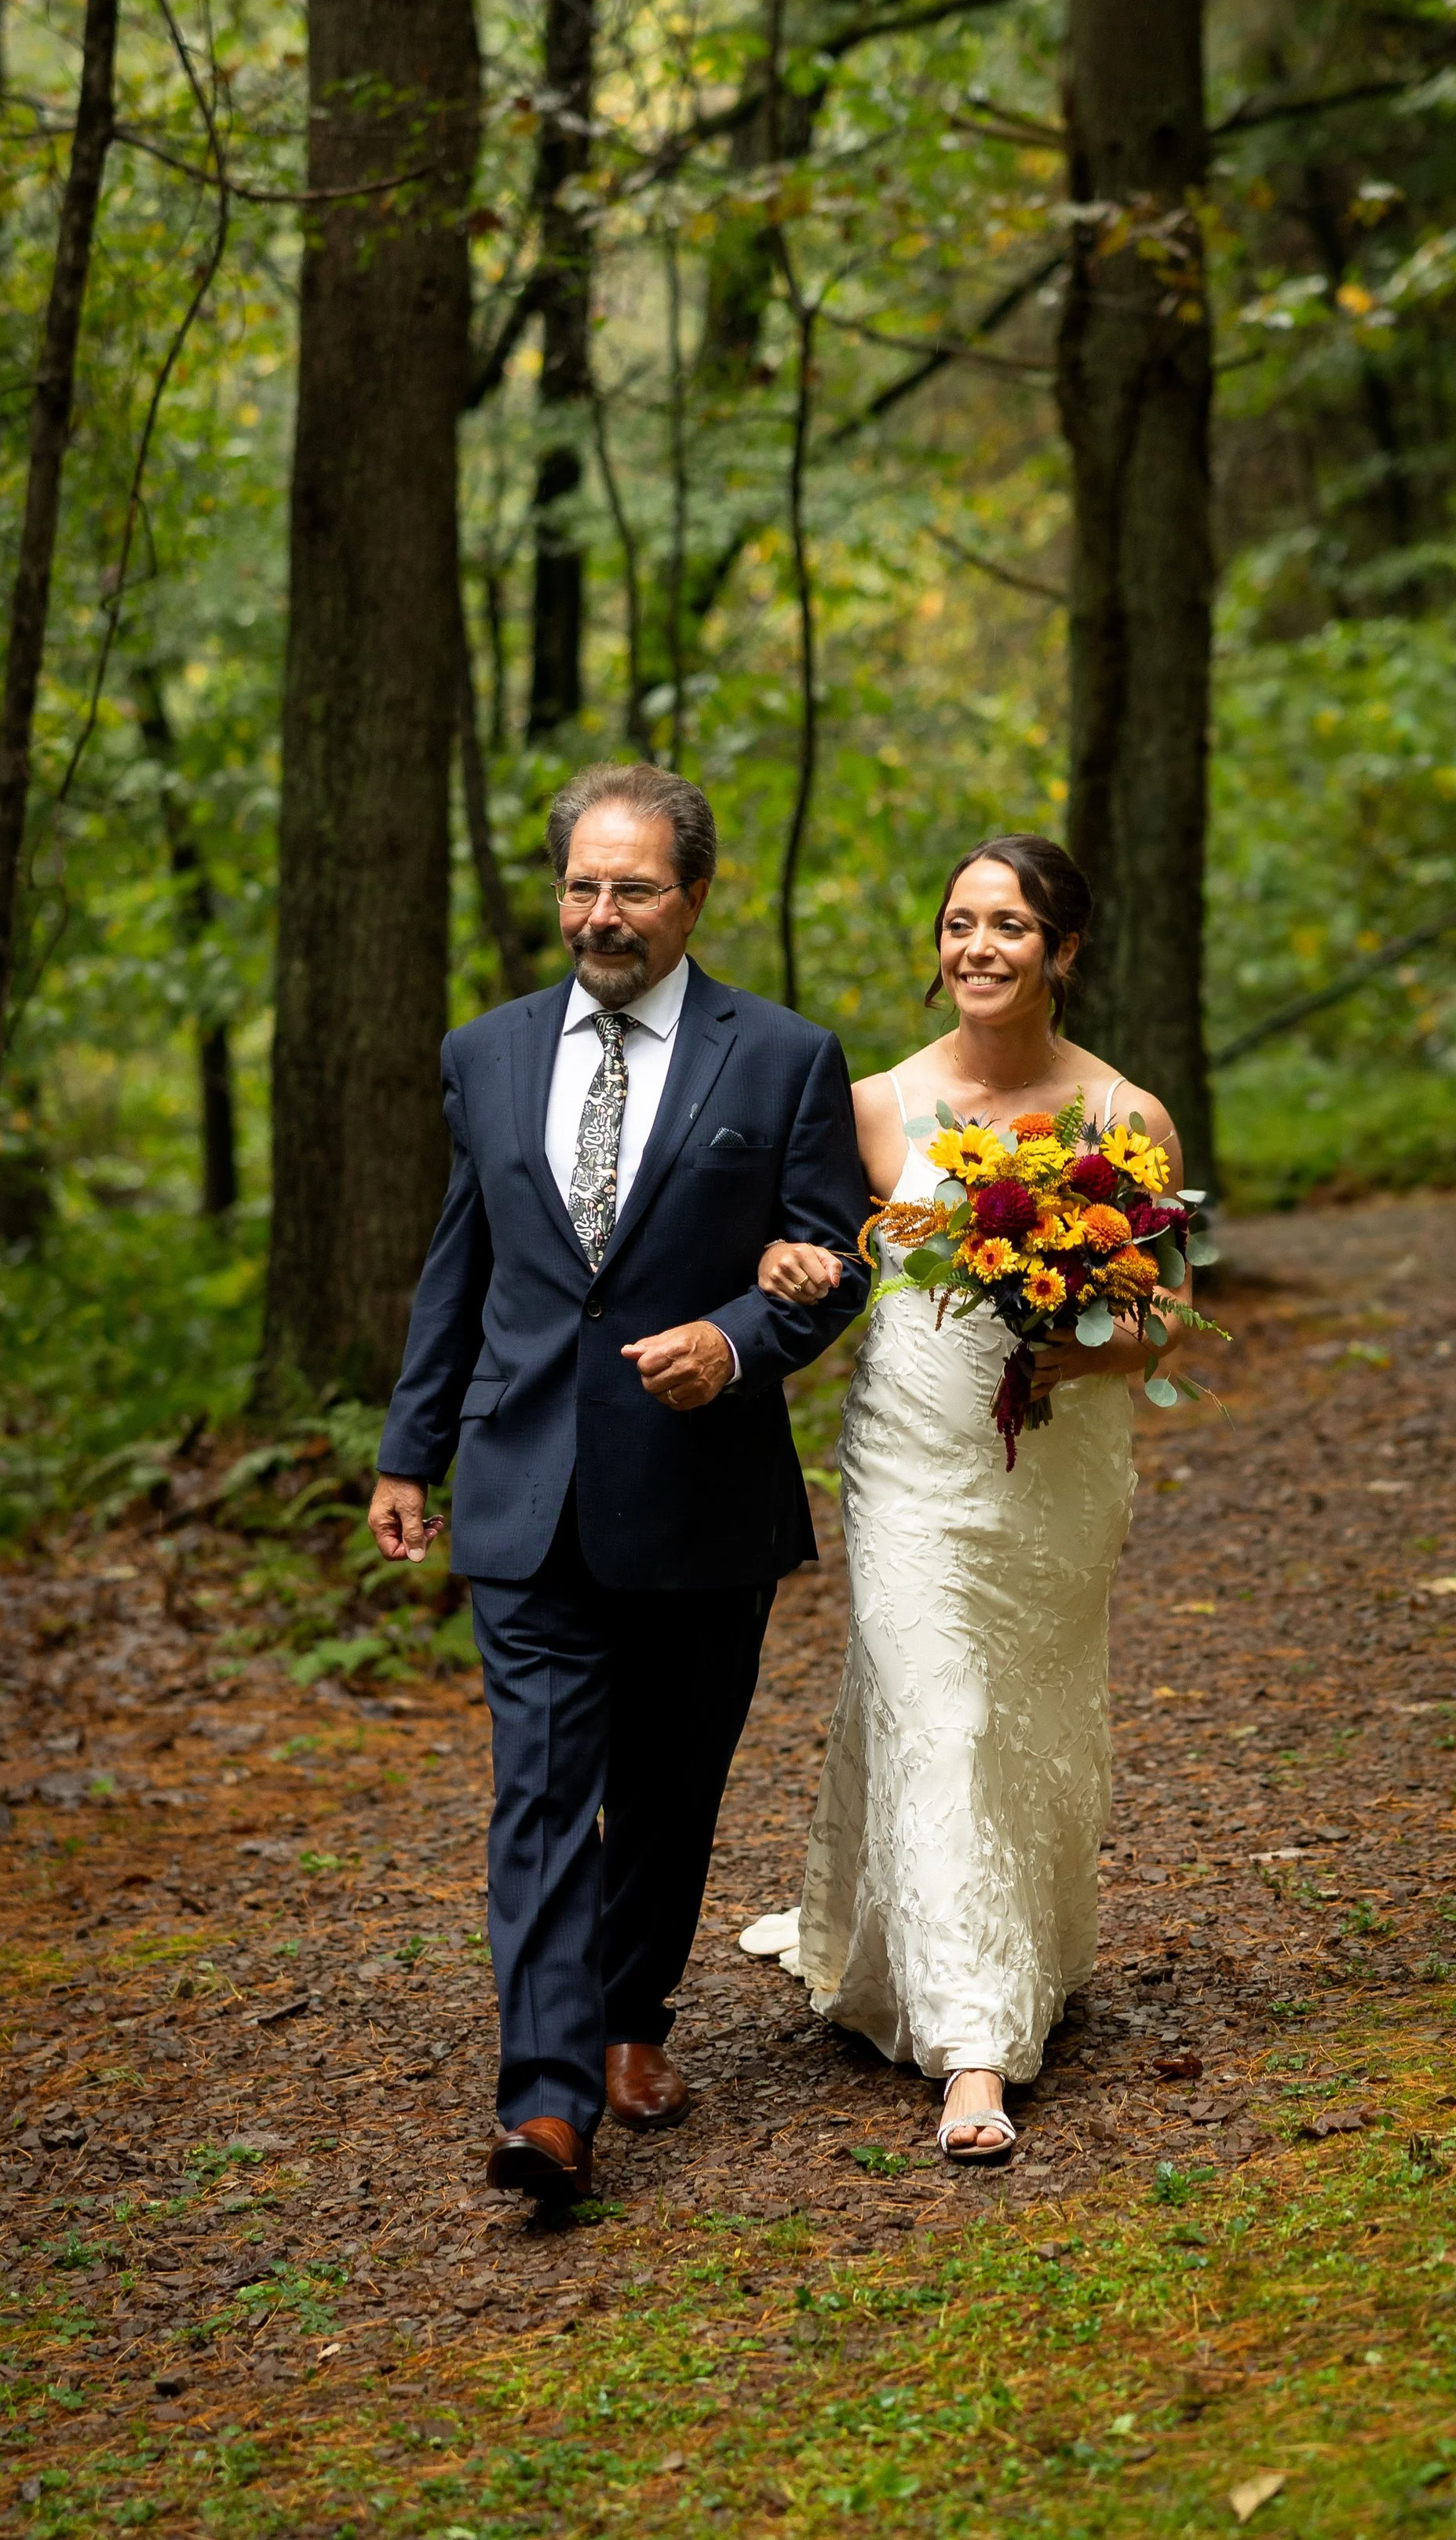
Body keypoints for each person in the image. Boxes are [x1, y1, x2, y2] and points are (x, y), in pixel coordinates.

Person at [367, 763, 869, 2208]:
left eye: (634, 888)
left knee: (668, 1785)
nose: (603, 912)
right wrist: (410, 1447)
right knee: (539, 1791)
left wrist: (736, 1340)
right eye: (583, 885)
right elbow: (462, 1262)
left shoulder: (782, 1058)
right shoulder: (486, 1052)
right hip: (523, 1481)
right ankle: (546, 2101)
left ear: (692, 898)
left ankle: (632, 2014)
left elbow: (833, 1262)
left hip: (701, 1491)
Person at [747, 837, 1187, 2162]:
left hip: (1057, 1470)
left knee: (1021, 1719)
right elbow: (822, 1248)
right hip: (910, 1461)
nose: (977, 946)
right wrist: (783, 1262)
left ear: (1064, 949)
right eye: (958, 923)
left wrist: (1086, 1350)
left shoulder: (1125, 1116)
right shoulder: (875, 1105)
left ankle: (994, 1943)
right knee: (943, 1713)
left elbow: (1169, 1315)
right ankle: (974, 2046)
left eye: (1008, 924)